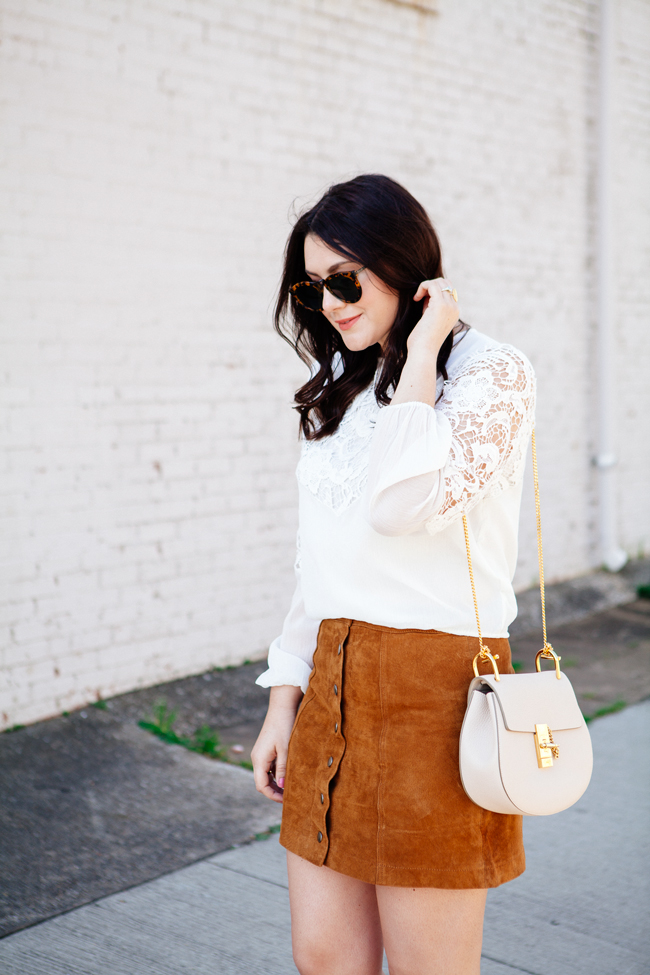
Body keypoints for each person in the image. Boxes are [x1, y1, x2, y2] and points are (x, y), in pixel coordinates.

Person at [251, 174, 535, 975]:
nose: (330, 305)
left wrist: (418, 354)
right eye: (313, 289)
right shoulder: (336, 393)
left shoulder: (491, 374)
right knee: (325, 960)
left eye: (346, 281)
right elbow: (319, 565)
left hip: (436, 698)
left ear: (405, 268)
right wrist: (284, 697)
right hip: (330, 688)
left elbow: (403, 505)